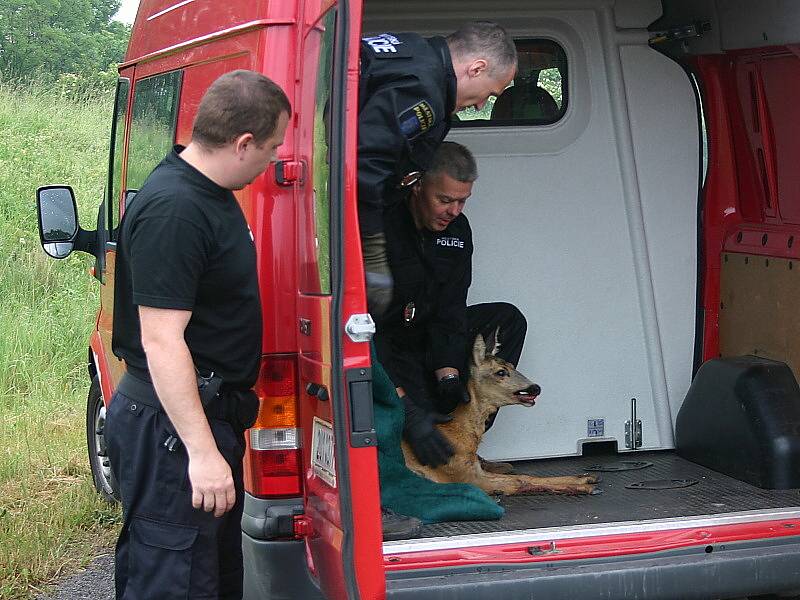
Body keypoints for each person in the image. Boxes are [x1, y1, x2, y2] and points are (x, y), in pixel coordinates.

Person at [104, 70, 290, 600]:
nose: (274, 159)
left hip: (200, 419)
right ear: (243, 143)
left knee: (209, 579)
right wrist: (201, 452)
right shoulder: (176, 209)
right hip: (172, 431)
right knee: (173, 582)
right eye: (272, 147)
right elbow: (161, 340)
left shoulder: (210, 193)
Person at [373, 141, 527, 469]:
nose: (454, 211)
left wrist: (449, 372)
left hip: (431, 335)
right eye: (444, 200)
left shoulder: (458, 229)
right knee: (415, 415)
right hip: (390, 340)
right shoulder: (383, 227)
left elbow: (452, 307)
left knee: (508, 319)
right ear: (417, 187)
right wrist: (408, 410)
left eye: (462, 201)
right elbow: (370, 328)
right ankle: (434, 453)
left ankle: (466, 448)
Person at [358, 21, 518, 317]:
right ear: (477, 68)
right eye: (490, 94)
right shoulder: (425, 91)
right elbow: (365, 166)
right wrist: (372, 252)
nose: (482, 105)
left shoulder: (412, 46)